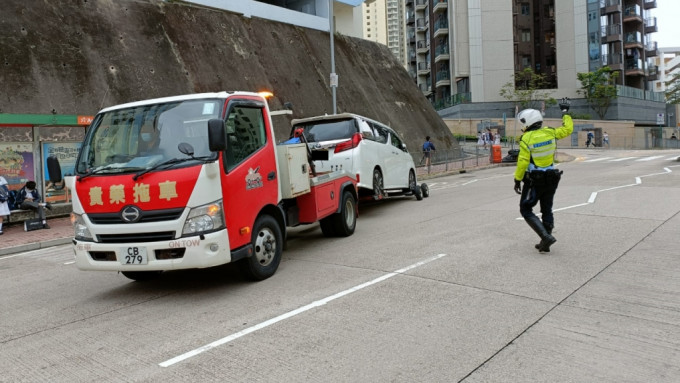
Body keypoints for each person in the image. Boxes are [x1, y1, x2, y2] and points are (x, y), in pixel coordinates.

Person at [513, 98, 573, 253]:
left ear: (527, 123)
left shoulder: (526, 138)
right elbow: (567, 129)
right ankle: (545, 241)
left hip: (535, 179)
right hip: (552, 177)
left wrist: (517, 179)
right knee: (547, 208)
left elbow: (523, 161)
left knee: (525, 209)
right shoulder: (550, 132)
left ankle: (545, 237)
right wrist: (565, 113)